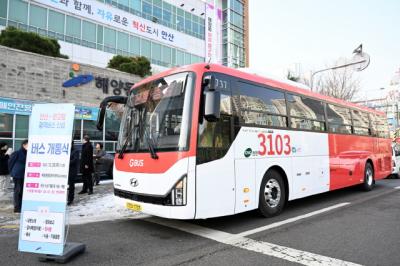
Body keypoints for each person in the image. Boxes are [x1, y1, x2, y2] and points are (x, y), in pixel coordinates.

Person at [8, 140, 28, 213]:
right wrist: (11, 173)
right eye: (28, 145)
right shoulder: (17, 153)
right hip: (17, 174)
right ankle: (17, 207)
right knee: (18, 190)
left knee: (22, 191)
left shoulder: (28, 153)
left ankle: (21, 206)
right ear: (24, 145)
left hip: (24, 175)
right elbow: (10, 162)